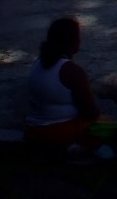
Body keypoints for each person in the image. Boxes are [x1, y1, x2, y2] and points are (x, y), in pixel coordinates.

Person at [23, 16, 102, 151]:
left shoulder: (38, 63)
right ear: (74, 41)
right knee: (106, 126)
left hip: (31, 131)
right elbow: (91, 112)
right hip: (57, 133)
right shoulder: (72, 71)